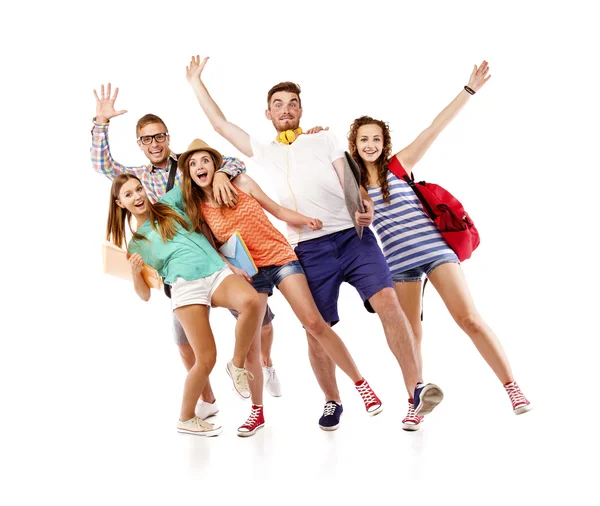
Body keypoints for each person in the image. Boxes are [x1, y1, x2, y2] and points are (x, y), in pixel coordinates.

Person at [185, 54, 444, 430]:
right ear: (268, 114)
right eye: (278, 105)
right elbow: (221, 125)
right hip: (306, 248)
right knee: (316, 325)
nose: (286, 109)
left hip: (352, 237)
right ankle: (331, 400)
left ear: (301, 109)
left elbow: (348, 180)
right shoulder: (264, 150)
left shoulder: (323, 137)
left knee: (388, 302)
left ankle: (415, 391)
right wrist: (196, 82)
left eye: (292, 104)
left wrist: (364, 207)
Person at [347, 61, 531, 430]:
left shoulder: (398, 167)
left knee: (469, 319)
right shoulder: (348, 187)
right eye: (363, 139)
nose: (370, 145)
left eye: (376, 139)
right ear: (354, 145)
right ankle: (415, 401)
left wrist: (468, 90)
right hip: (398, 264)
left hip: (434, 252)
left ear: (384, 145)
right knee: (410, 334)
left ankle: (513, 387)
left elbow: (436, 127)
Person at [90, 84, 283, 418]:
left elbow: (233, 161)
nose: (154, 143)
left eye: (159, 136)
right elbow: (103, 166)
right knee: (186, 342)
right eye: (146, 139)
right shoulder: (136, 179)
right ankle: (206, 401)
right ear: (139, 144)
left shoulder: (188, 166)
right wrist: (101, 123)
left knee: (259, 318)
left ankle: (264, 363)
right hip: (176, 265)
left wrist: (221, 172)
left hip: (215, 250)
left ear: (167, 137)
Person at [169, 138, 384, 432]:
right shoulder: (196, 206)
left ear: (215, 164)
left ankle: (362, 386)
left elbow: (277, 210)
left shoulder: (241, 183)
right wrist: (231, 267)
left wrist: (306, 220)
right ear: (188, 173)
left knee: (314, 323)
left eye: (204, 160)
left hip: (280, 257)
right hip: (249, 272)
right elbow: (213, 247)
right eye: (192, 164)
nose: (199, 167)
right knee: (253, 344)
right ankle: (257, 412)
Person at [106, 174, 263, 436]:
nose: (137, 197)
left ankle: (236, 365)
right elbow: (144, 296)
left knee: (250, 301)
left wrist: (222, 173)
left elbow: (197, 176)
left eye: (138, 189)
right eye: (129, 195)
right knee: (205, 359)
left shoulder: (169, 204)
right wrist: (135, 273)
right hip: (185, 287)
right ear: (120, 203)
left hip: (216, 272)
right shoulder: (136, 245)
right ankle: (186, 418)